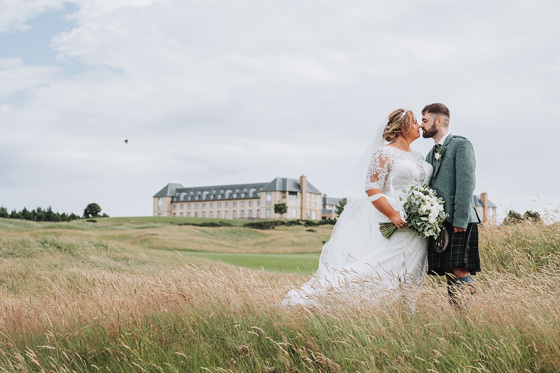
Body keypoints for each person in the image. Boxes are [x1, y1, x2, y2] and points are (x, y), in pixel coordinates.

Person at [282, 109, 433, 307]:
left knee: (412, 268)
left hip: (419, 226)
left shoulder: (419, 155)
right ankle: (310, 299)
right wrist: (393, 214)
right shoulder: (384, 153)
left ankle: (405, 310)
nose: (420, 126)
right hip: (394, 221)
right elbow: (372, 187)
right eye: (415, 123)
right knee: (381, 265)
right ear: (403, 127)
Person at [421, 103, 480, 308]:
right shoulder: (430, 153)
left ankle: (467, 316)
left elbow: (466, 183)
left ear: (439, 121)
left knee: (459, 268)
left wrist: (460, 219)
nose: (421, 126)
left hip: (459, 219)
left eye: (425, 120)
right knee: (447, 270)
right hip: (439, 221)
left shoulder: (461, 145)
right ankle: (458, 316)